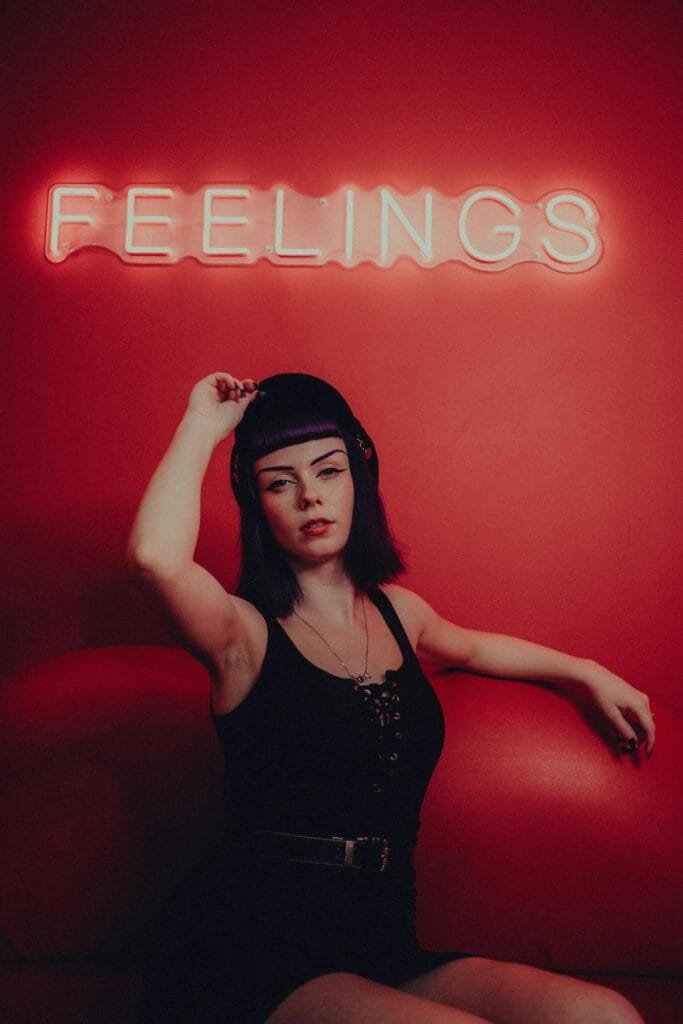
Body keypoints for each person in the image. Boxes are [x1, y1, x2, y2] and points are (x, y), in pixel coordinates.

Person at [127, 371, 654, 1024]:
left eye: (328, 471)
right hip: (253, 947)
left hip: (379, 938)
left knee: (602, 1015)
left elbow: (476, 647)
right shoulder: (241, 633)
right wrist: (202, 427)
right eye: (279, 483)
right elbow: (156, 558)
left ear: (359, 477)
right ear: (255, 502)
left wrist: (585, 671)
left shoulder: (401, 615)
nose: (310, 498)